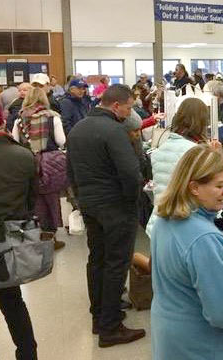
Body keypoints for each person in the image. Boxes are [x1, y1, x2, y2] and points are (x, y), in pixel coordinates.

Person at [150, 145, 223, 360]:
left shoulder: (165, 220)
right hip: (202, 347)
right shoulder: (205, 241)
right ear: (194, 187)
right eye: (219, 185)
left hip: (171, 339)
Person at [66, 84, 146, 347]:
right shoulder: (114, 131)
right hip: (116, 206)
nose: (129, 112)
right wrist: (131, 201)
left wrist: (80, 199)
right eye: (129, 107)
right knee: (116, 263)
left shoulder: (77, 129)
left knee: (97, 260)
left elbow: (71, 172)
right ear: (116, 106)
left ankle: (98, 317)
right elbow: (130, 173)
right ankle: (111, 327)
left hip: (89, 204)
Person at [0, 101, 39, 360]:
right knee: (15, 306)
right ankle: (28, 355)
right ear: (1, 122)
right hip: (10, 247)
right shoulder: (24, 155)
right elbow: (30, 202)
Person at [146, 98, 221, 236]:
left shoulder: (160, 148)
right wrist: (215, 157)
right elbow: (208, 188)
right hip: (184, 224)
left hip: (158, 223)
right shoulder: (196, 152)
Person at [12, 87, 67, 250]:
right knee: (51, 197)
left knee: (33, 198)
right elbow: (61, 140)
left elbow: (15, 141)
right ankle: (51, 235)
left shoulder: (19, 119)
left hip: (27, 162)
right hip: (50, 164)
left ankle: (35, 233)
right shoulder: (53, 118)